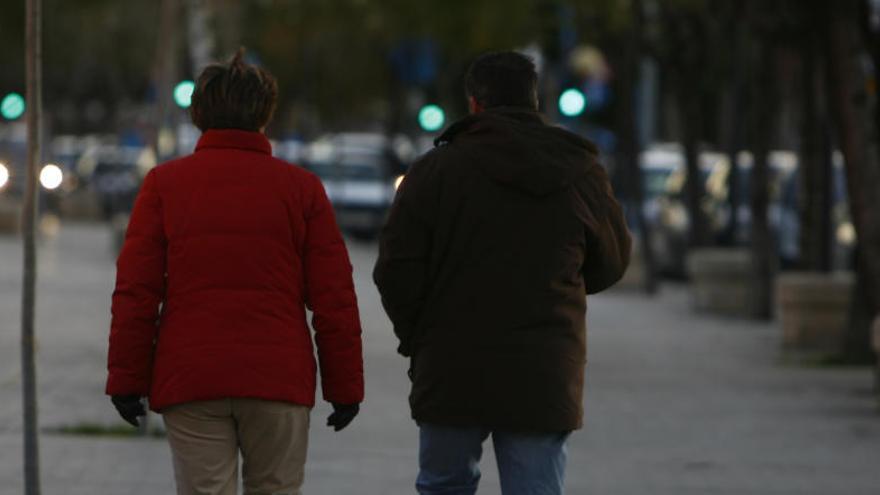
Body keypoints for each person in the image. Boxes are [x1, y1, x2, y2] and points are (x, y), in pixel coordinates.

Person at [105, 49, 364, 495]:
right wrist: (345, 386)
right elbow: (332, 296)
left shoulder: (164, 185)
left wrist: (126, 379)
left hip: (192, 377)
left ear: (198, 115)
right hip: (278, 378)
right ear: (266, 114)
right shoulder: (302, 189)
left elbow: (137, 292)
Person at [373, 51, 631, 494]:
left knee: (443, 486)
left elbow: (395, 270)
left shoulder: (434, 171)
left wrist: (417, 336)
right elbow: (611, 261)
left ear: (475, 104)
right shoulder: (580, 171)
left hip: (451, 365)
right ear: (536, 102)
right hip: (544, 368)